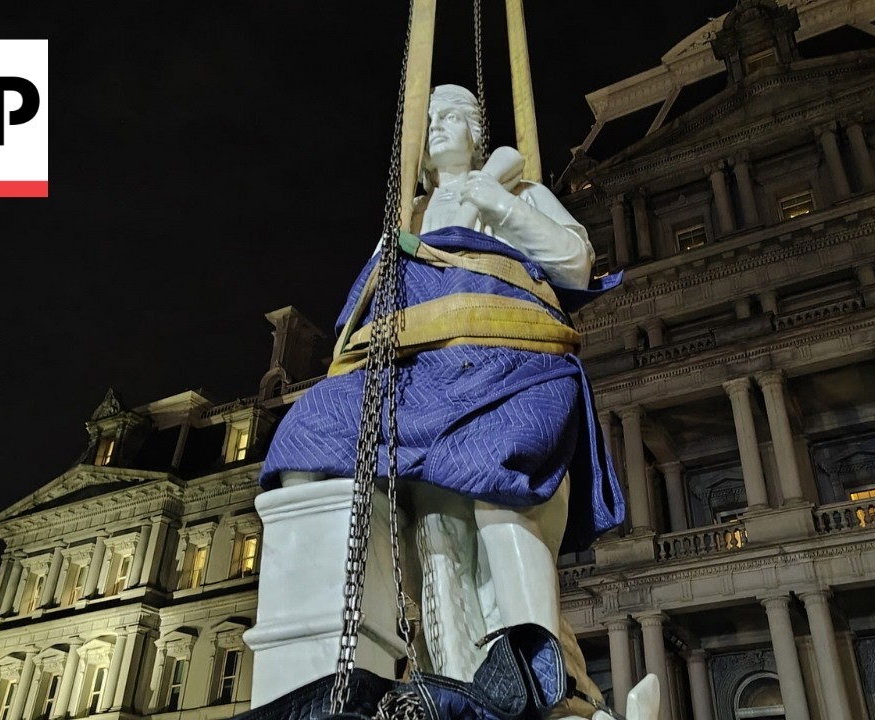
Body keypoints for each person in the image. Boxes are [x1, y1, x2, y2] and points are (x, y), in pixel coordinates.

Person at [260, 84, 638, 718]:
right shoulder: (409, 214)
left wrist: (495, 201)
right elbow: (365, 310)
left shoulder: (518, 190)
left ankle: (535, 672)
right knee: (305, 432)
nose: (438, 126)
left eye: (453, 116)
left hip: (511, 363)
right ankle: (323, 658)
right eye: (428, 119)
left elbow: (574, 263)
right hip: (416, 374)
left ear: (478, 132)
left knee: (499, 469)